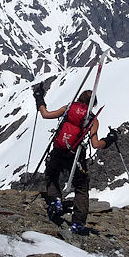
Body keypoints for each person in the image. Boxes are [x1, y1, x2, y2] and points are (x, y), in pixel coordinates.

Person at [34, 85, 116, 235]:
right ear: (93, 104)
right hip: (75, 155)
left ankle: (55, 201)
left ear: (79, 99)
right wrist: (110, 139)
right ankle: (78, 223)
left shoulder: (68, 108)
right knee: (81, 187)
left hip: (58, 151)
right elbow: (96, 144)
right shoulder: (92, 119)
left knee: (52, 174)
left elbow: (45, 114)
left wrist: (39, 98)